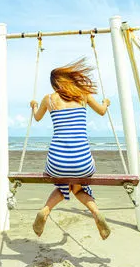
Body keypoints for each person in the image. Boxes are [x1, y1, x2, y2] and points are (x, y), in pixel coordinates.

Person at [29, 58, 112, 240]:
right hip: (82, 162)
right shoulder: (83, 95)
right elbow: (102, 111)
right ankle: (96, 212)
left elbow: (37, 118)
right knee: (77, 185)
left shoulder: (49, 99)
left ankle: (45, 210)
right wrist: (106, 102)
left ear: (55, 85)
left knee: (63, 181)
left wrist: (34, 106)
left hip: (56, 161)